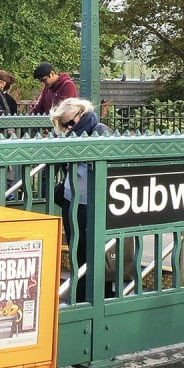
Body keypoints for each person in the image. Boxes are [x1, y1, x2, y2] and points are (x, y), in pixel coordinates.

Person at [50, 98, 113, 302]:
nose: (68, 128)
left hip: (93, 202)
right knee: (77, 250)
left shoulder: (100, 131)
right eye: (64, 125)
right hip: (72, 199)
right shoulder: (69, 137)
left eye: (70, 123)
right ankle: (80, 294)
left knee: (95, 252)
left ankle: (97, 295)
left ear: (82, 113)